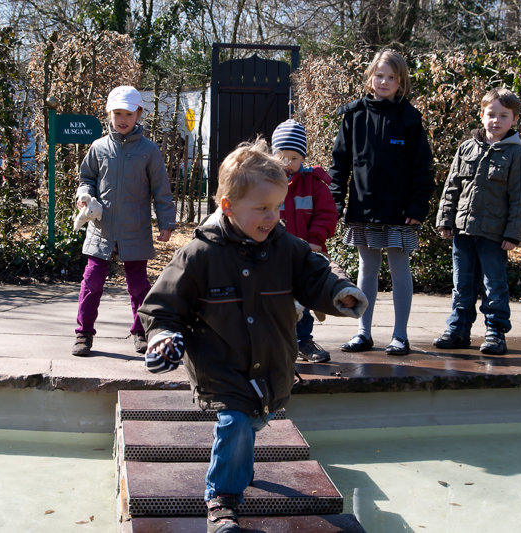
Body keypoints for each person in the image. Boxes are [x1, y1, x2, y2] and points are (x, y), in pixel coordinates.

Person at [138, 139, 367, 533]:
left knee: (253, 421)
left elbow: (316, 274)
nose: (272, 217)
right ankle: (222, 500)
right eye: (261, 208)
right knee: (235, 422)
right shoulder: (198, 255)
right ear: (227, 206)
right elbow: (162, 306)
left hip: (271, 360)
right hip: (221, 364)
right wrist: (162, 335)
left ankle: (238, 462)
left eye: (277, 207)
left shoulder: (287, 248)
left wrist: (338, 290)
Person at [329, 49, 435, 356]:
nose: (384, 81)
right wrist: (335, 203)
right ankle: (363, 333)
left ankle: (400, 336)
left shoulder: (410, 118)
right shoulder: (353, 115)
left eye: (392, 77)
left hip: (400, 212)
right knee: (366, 267)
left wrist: (417, 206)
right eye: (379, 75)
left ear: (401, 82)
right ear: (370, 78)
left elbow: (423, 168)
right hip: (363, 209)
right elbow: (339, 165)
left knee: (400, 268)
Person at [72, 86, 176, 357]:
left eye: (129, 114)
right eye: (117, 113)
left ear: (139, 114)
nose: (122, 119)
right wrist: (84, 196)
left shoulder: (149, 151)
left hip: (135, 229)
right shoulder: (98, 147)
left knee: (138, 285)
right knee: (92, 281)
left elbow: (161, 190)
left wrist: (166, 223)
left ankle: (140, 332)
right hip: (101, 229)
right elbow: (87, 179)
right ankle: (83, 334)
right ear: (109, 114)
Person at [433, 88, 521, 355]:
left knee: (494, 284)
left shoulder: (516, 155)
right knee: (462, 284)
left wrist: (513, 233)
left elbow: (520, 198)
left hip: (494, 235)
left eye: (504, 115)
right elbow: (452, 186)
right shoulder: (467, 148)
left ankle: (495, 332)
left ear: (514, 119)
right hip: (463, 231)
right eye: (491, 114)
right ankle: (458, 330)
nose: (496, 120)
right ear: (481, 115)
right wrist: (445, 219)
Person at [271, 118, 338, 363]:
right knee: (274, 298)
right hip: (273, 253)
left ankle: (303, 342)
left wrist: (315, 239)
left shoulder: (314, 185)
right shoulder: (266, 182)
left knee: (302, 299)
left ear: (303, 158)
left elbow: (326, 214)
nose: (287, 163)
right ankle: (275, 343)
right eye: (281, 157)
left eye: (294, 158)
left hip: (304, 253)